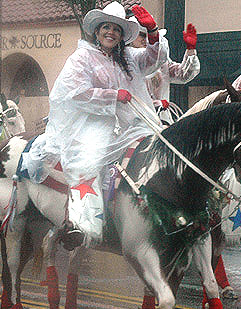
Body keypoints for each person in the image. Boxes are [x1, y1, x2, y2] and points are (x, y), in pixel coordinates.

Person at [21, 2, 168, 249]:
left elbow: (154, 60)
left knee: (159, 148)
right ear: (98, 31)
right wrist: (111, 96)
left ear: (122, 36)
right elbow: (74, 92)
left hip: (130, 123)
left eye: (117, 29)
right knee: (87, 161)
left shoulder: (129, 58)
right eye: (106, 27)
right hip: (91, 124)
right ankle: (79, 223)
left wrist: (152, 33)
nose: (111, 32)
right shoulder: (82, 57)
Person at [128, 19, 200, 125]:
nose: (146, 39)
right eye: (142, 35)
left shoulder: (161, 62)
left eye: (148, 35)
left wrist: (190, 50)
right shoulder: (126, 61)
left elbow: (183, 75)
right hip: (134, 122)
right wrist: (155, 104)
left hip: (162, 121)